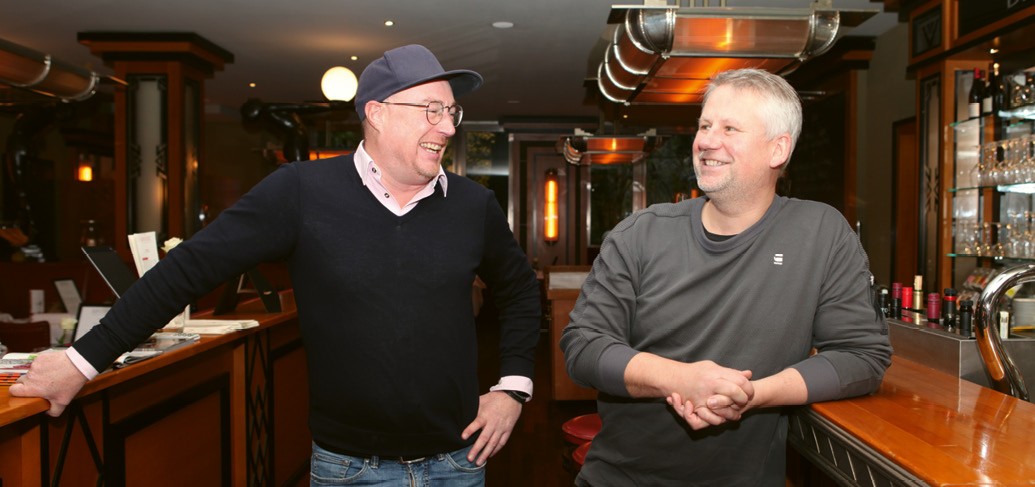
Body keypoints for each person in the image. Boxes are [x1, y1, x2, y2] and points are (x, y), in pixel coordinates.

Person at [10, 44, 542, 486]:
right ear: (377, 113)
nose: (447, 126)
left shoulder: (473, 205)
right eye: (432, 109)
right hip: (351, 470)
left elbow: (519, 291)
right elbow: (187, 269)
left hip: (458, 462)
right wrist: (82, 361)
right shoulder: (300, 191)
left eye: (451, 112)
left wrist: (512, 388)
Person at [559, 68, 892, 486]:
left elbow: (862, 355)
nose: (707, 141)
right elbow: (583, 346)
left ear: (778, 149)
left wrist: (751, 395)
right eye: (704, 126)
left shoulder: (821, 233)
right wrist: (680, 379)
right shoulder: (640, 233)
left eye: (730, 128)